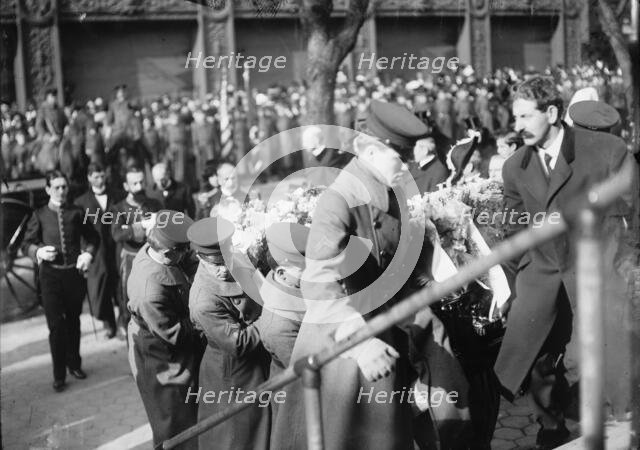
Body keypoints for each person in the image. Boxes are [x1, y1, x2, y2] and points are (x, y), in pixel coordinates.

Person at [290, 100, 445, 449]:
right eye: (398, 154)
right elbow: (317, 285)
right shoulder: (338, 200)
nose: (405, 163)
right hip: (350, 340)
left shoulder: (390, 188)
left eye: (407, 155)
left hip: (393, 323)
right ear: (365, 147)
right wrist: (359, 344)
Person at [495, 76, 639, 448]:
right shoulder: (514, 167)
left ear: (553, 113)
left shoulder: (605, 148)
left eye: (526, 117)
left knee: (606, 347)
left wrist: (624, 260)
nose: (517, 126)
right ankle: (551, 426)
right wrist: (524, 268)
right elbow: (513, 225)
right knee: (539, 356)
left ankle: (621, 420)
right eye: (515, 117)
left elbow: (631, 208)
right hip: (542, 273)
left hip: (594, 267)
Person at [187, 217, 270, 450]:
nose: (224, 269)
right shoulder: (203, 300)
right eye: (216, 264)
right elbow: (238, 343)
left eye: (226, 259)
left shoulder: (235, 259)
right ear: (200, 258)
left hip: (255, 361)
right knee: (238, 435)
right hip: (233, 373)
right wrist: (272, 318)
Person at [127, 210, 201, 449]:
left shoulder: (158, 249)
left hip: (164, 339)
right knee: (173, 422)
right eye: (185, 249)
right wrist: (206, 319)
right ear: (169, 253)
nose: (189, 252)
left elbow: (187, 262)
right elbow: (175, 334)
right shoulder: (150, 291)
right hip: (161, 357)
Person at [22, 170, 99, 391]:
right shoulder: (40, 214)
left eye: (64, 186)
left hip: (73, 276)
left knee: (74, 322)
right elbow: (26, 244)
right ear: (48, 189)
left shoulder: (77, 212)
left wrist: (88, 254)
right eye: (56, 187)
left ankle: (74, 363)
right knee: (56, 327)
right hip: (50, 278)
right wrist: (38, 252)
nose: (62, 191)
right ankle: (59, 375)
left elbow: (93, 237)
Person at [110, 166, 162, 337]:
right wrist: (138, 228)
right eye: (134, 183)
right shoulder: (118, 208)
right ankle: (133, 336)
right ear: (126, 186)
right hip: (131, 259)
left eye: (141, 182)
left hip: (154, 257)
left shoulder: (154, 204)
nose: (139, 186)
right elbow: (117, 234)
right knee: (131, 299)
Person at [74, 163, 122, 338]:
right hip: (97, 251)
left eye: (102, 176)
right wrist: (83, 252)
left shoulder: (117, 196)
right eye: (96, 177)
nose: (100, 180)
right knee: (100, 289)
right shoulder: (81, 202)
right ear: (89, 178)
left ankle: (123, 321)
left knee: (120, 286)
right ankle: (109, 322)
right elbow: (79, 231)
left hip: (116, 248)